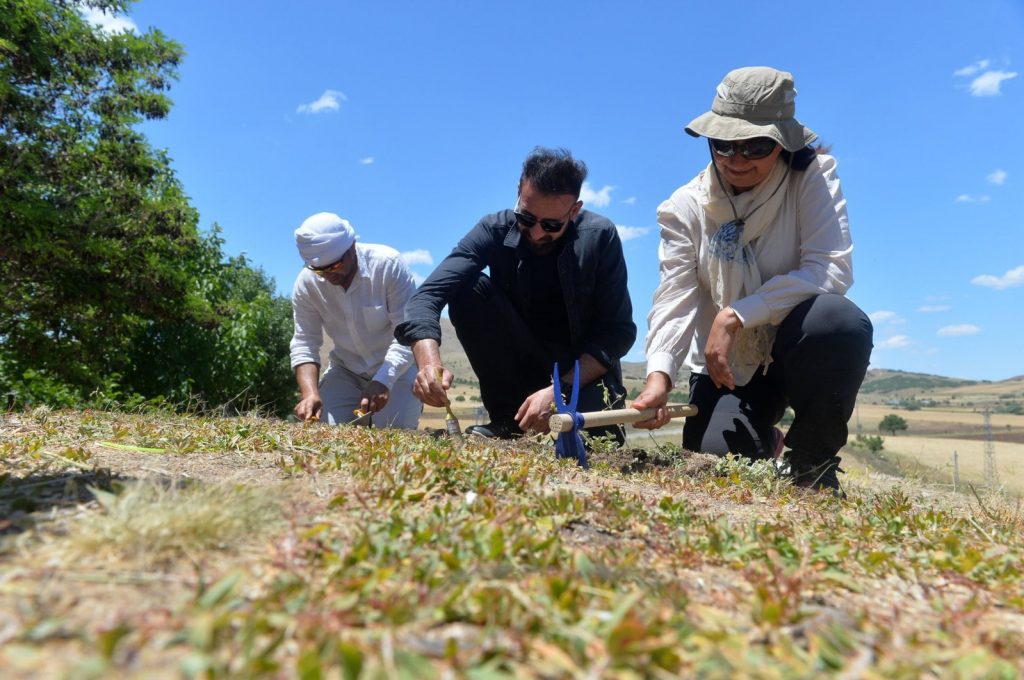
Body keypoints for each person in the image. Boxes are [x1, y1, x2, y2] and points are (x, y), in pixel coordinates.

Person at [633, 67, 873, 495]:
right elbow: (676, 295)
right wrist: (659, 376)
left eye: (755, 146)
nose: (735, 160)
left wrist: (737, 314)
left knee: (837, 320)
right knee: (717, 464)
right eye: (722, 145)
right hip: (726, 365)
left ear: (782, 141)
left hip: (796, 349)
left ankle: (811, 463)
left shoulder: (811, 178)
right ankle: (765, 436)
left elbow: (831, 268)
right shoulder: (684, 207)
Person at [395, 147, 636, 443]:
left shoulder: (600, 236)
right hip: (523, 371)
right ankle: (508, 421)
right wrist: (429, 364)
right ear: (518, 194)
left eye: (551, 225)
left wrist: (558, 392)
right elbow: (427, 297)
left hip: (580, 380)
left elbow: (618, 333)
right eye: (526, 218)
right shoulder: (493, 229)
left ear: (574, 211)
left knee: (598, 447)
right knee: (469, 290)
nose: (535, 233)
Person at [290, 212, 421, 428]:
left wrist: (383, 380)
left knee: (393, 433)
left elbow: (407, 334)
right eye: (318, 269)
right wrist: (310, 394)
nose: (327, 275)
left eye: (333, 266)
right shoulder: (306, 283)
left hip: (396, 371)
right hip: (346, 371)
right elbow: (304, 342)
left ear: (351, 247)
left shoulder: (388, 265)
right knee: (325, 431)